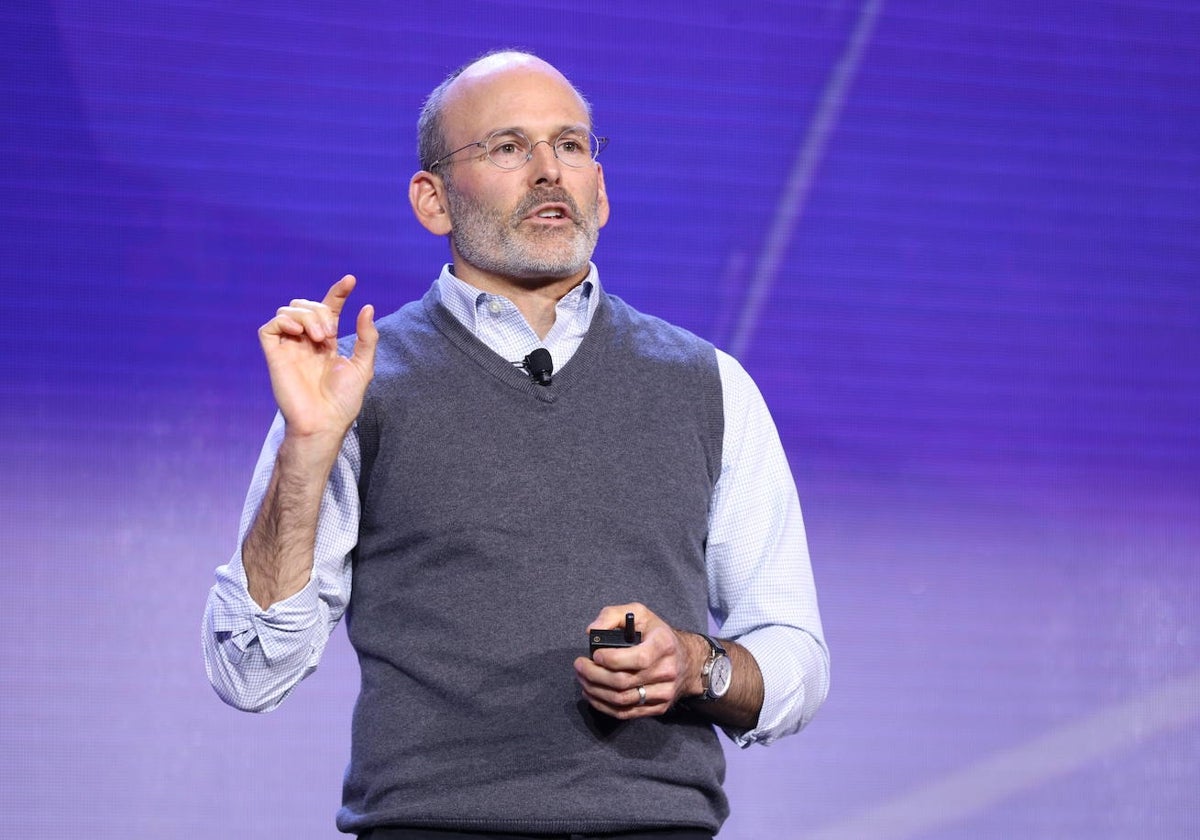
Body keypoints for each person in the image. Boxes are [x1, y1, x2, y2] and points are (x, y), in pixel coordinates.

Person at [203, 50, 829, 840]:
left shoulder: (710, 384)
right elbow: (251, 672)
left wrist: (696, 665)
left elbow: (795, 653)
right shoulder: (353, 387)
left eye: (571, 146)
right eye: (507, 147)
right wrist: (307, 449)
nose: (549, 172)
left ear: (601, 189)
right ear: (432, 201)